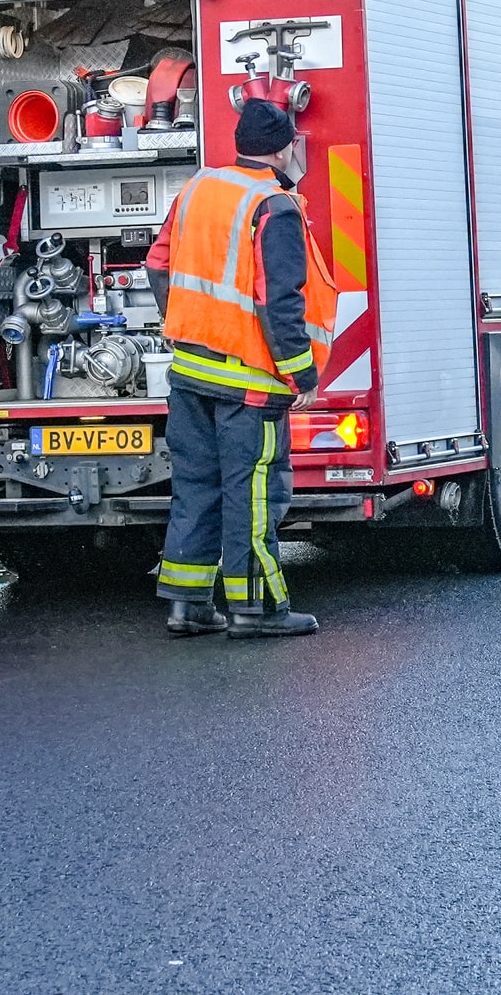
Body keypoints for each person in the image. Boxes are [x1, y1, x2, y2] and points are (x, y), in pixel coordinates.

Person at [144, 99, 338, 639]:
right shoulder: (274, 207)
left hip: (189, 373)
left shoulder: (197, 189)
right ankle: (256, 611)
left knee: (196, 489)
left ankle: (187, 607)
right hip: (248, 385)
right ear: (284, 147)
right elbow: (280, 300)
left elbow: (157, 264)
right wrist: (301, 374)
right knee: (253, 497)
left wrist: (185, 320)